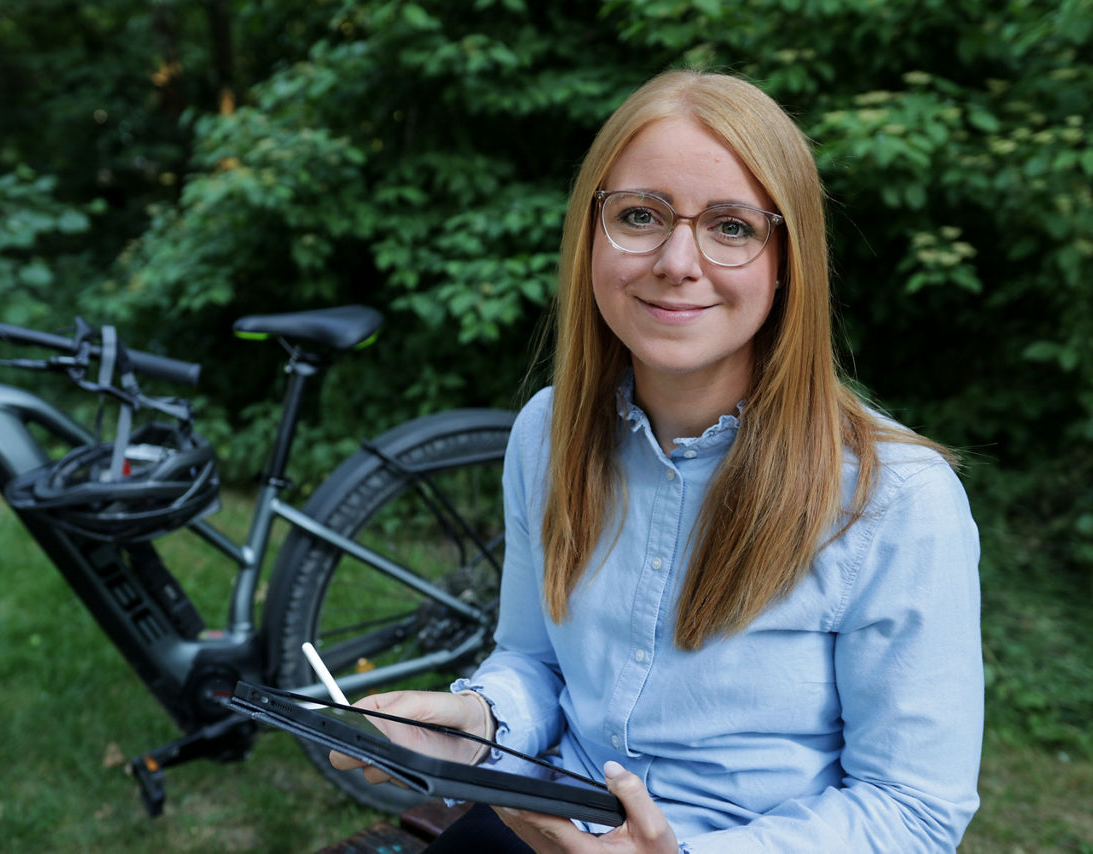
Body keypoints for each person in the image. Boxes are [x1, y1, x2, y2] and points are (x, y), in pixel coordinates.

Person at [332, 68, 983, 853]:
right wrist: (477, 720)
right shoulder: (548, 431)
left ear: (788, 262)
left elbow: (913, 810)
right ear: (591, 236)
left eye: (732, 227)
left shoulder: (897, 499)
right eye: (640, 215)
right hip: (541, 826)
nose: (678, 260)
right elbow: (534, 658)